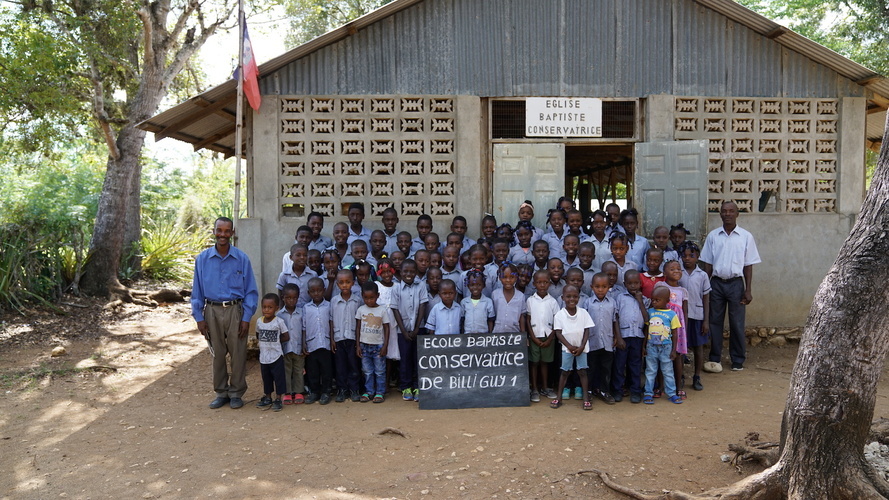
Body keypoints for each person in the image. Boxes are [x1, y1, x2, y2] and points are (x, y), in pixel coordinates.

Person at [192, 217, 258, 410]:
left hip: (235, 311)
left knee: (238, 353)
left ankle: (236, 392)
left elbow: (251, 291)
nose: (222, 234)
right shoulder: (202, 259)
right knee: (218, 354)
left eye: (226, 231)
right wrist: (199, 317)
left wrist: (246, 318)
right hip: (211, 310)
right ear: (214, 232)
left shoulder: (242, 258)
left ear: (232, 232)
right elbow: (196, 291)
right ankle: (221, 392)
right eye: (219, 230)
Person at [700, 201, 761, 371]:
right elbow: (708, 265)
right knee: (714, 322)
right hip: (716, 284)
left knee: (737, 323)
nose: (727, 214)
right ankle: (714, 358)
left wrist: (748, 289)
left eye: (731, 211)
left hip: (736, 284)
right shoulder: (713, 236)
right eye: (724, 211)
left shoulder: (745, 236)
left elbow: (748, 265)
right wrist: (706, 286)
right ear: (720, 214)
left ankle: (737, 360)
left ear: (737, 214)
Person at [551, 285, 594, 410]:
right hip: (567, 349)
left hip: (582, 349)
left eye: (575, 296)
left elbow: (587, 331)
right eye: (568, 296)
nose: (572, 299)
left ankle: (586, 398)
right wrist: (569, 346)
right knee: (565, 372)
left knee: (582, 372)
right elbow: (558, 333)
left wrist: (582, 346)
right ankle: (559, 397)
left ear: (579, 298)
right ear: (563, 297)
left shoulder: (583, 313)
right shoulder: (559, 315)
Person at [393, 259, 428, 401]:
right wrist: (404, 330)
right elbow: (395, 309)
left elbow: (423, 306)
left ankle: (418, 386)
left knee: (418, 359)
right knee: (405, 360)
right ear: (400, 273)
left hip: (418, 329)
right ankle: (406, 386)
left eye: (412, 271)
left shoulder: (421, 285)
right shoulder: (396, 288)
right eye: (405, 271)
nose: (409, 274)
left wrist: (416, 328)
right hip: (403, 332)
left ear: (416, 272)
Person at [612, 270, 648, 404]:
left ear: (640, 283)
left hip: (638, 337)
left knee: (635, 365)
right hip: (624, 336)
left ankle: (635, 391)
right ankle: (618, 390)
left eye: (636, 283)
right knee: (619, 365)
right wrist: (618, 337)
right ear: (624, 284)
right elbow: (615, 317)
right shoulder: (620, 298)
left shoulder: (644, 299)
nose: (633, 286)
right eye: (630, 283)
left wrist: (640, 301)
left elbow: (646, 319)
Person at [679, 241, 711, 391]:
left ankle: (697, 376)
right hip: (680, 317)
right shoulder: (678, 273)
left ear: (697, 257)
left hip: (697, 315)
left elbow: (706, 298)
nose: (687, 259)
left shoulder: (702, 275)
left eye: (691, 256)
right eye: (684, 256)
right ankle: (680, 376)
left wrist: (706, 320)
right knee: (681, 347)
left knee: (698, 347)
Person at [643, 286, 683, 405]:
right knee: (650, 370)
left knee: (667, 371)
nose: (654, 302)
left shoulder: (672, 314)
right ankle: (648, 393)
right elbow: (646, 329)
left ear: (666, 300)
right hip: (651, 346)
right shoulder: (650, 312)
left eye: (657, 300)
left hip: (666, 347)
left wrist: (674, 350)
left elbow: (675, 333)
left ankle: (672, 393)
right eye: (653, 300)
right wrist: (643, 345)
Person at [525, 269, 559, 403]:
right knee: (534, 363)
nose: (542, 285)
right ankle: (534, 389)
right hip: (534, 336)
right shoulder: (530, 300)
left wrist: (551, 338)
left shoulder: (553, 302)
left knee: (545, 362)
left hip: (548, 337)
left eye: (545, 282)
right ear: (534, 284)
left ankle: (545, 387)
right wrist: (532, 337)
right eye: (539, 282)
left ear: (549, 284)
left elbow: (557, 321)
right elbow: (528, 319)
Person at [585, 273, 618, 405]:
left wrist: (617, 336)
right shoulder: (588, 302)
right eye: (597, 287)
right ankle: (589, 391)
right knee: (591, 367)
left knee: (606, 368)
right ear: (591, 287)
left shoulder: (612, 303)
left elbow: (615, 320)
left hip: (607, 341)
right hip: (592, 341)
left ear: (609, 287)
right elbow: (584, 323)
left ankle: (604, 391)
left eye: (604, 286)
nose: (600, 289)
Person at [330, 269, 363, 402]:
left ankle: (354, 389)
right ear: (337, 284)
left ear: (353, 283)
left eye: (348, 282)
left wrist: (358, 342)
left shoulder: (357, 301)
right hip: (339, 339)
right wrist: (332, 339)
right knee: (340, 366)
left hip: (353, 339)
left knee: (353, 365)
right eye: (341, 283)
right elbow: (331, 321)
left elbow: (360, 322)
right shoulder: (334, 301)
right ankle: (342, 389)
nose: (345, 285)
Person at [356, 281, 390, 403]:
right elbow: (358, 327)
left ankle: (380, 392)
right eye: (366, 298)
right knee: (367, 371)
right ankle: (369, 391)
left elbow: (387, 327)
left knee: (380, 371)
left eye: (372, 297)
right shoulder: (361, 310)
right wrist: (357, 346)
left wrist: (385, 345)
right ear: (362, 296)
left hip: (378, 346)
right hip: (364, 345)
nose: (369, 301)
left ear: (378, 295)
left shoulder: (382, 310)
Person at [254, 294, 290, 412]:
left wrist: (274, 340)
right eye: (264, 307)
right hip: (264, 356)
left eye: (270, 307)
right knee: (266, 378)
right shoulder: (259, 321)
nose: (266, 310)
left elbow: (286, 336)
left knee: (278, 378)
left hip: (276, 356)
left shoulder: (279, 321)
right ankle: (268, 397)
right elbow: (258, 334)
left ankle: (278, 398)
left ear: (277, 308)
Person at [303, 278, 334, 405]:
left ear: (324, 290)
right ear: (308, 292)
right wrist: (304, 343)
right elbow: (304, 327)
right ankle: (314, 392)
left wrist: (332, 340)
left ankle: (326, 391)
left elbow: (331, 324)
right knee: (312, 370)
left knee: (326, 370)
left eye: (319, 290)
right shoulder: (306, 308)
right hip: (312, 344)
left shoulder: (328, 305)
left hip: (325, 344)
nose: (316, 293)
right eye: (313, 291)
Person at [277, 284, 304, 405]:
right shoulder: (279, 315)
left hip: (298, 347)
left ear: (298, 298)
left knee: (298, 370)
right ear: (283, 298)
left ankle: (298, 391)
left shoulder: (302, 313)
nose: (291, 300)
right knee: (286, 370)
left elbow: (304, 330)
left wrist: (304, 345)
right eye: (288, 298)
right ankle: (287, 393)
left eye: (294, 298)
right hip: (285, 348)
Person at [277, 243, 317, 308]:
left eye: (305, 255)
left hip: (308, 310)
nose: (302, 257)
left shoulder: (313, 275)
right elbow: (280, 296)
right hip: (290, 311)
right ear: (291, 257)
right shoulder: (284, 275)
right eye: (298, 255)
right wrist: (282, 311)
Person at [491, 263, 525, 333]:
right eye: (505, 277)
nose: (508, 280)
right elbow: (491, 316)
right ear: (500, 278)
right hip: (497, 333)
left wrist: (523, 334)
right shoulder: (495, 294)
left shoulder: (520, 296)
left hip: (515, 334)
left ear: (516, 278)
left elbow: (522, 316)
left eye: (512, 277)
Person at [461, 270, 494, 334]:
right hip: (467, 335)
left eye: (479, 285)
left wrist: (490, 335)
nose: (475, 287)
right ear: (468, 286)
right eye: (472, 285)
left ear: (483, 285)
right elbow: (462, 321)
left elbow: (490, 320)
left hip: (483, 335)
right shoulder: (464, 302)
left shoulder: (488, 302)